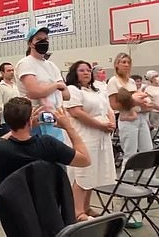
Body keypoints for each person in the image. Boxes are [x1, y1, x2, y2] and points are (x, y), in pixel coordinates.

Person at [0, 97, 90, 237]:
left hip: (1, 201)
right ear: (29, 120)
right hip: (40, 201)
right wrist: (68, 126)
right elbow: (85, 160)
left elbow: (3, 138)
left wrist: (24, 124)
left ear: (7, 122)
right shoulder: (48, 145)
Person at [64, 61, 116, 221]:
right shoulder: (72, 90)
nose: (86, 73)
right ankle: (77, 211)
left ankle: (86, 207)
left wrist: (111, 122)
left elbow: (108, 108)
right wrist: (100, 124)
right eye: (81, 70)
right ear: (74, 73)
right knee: (83, 173)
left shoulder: (97, 90)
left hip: (100, 136)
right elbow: (76, 112)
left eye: (88, 70)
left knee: (94, 172)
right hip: (84, 136)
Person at [106, 53, 151, 229]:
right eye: (122, 62)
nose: (126, 65)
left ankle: (146, 190)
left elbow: (138, 102)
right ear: (116, 65)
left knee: (147, 153)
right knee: (130, 156)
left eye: (128, 62)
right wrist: (132, 101)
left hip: (140, 118)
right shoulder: (113, 82)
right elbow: (114, 105)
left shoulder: (132, 82)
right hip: (126, 120)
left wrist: (146, 104)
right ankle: (124, 195)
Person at [15, 27, 70, 141]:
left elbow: (66, 95)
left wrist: (45, 89)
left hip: (56, 118)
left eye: (46, 39)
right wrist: (56, 86)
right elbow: (35, 92)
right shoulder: (25, 63)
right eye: (39, 39)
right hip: (36, 120)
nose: (43, 42)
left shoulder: (51, 66)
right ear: (30, 43)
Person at [0, 62, 19, 129]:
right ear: (2, 73)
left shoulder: (16, 86)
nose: (11, 72)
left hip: (19, 119)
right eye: (8, 71)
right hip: (7, 121)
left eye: (12, 70)